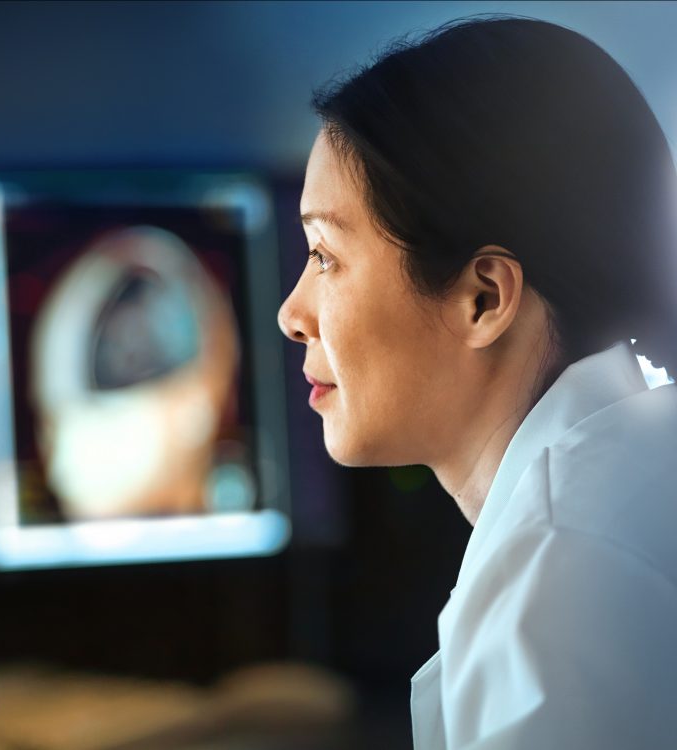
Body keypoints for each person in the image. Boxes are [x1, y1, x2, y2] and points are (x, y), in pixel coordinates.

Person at [277, 16, 677, 749]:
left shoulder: (562, 580)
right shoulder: (632, 478)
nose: (291, 314)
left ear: (483, 298)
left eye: (325, 255)